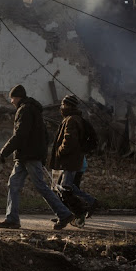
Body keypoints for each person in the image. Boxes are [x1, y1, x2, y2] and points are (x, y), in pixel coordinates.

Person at [0, 85, 77, 230]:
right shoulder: (34, 110)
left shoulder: (24, 110)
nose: (11, 101)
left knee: (40, 186)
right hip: (26, 156)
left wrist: (4, 151)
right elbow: (46, 136)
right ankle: (12, 219)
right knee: (13, 185)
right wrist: (42, 155)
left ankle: (64, 214)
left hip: (29, 155)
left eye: (12, 98)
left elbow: (20, 135)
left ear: (18, 97)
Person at [49, 95, 98, 225]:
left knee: (66, 189)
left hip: (70, 161)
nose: (61, 108)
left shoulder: (71, 120)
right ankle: (65, 213)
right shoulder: (73, 119)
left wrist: (59, 151)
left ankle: (82, 210)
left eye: (63, 105)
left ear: (69, 106)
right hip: (71, 161)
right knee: (64, 188)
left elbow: (69, 140)